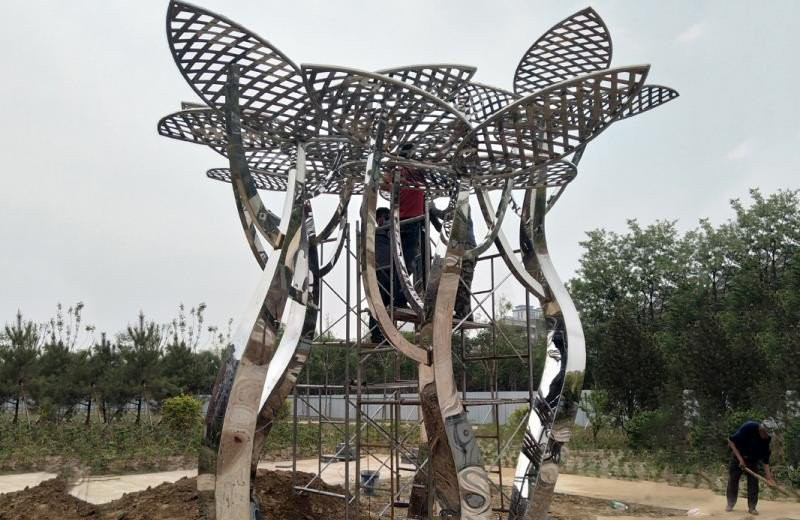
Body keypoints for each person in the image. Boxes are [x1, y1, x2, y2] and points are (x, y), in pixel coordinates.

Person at [368, 207, 406, 344]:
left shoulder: (389, 233)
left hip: (392, 271)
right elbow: (364, 214)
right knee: (378, 304)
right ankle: (376, 335)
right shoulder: (373, 231)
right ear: (379, 219)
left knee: (391, 304)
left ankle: (389, 334)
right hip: (379, 272)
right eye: (386, 217)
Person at [726, 420, 775, 514]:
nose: (767, 436)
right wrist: (740, 459)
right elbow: (731, 441)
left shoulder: (767, 439)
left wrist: (769, 478)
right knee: (733, 481)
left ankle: (752, 507)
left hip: (752, 460)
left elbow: (765, 460)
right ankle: (730, 504)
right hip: (738, 457)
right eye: (766, 433)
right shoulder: (749, 427)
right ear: (761, 429)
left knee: (753, 484)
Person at [453, 206, 476, 321]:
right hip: (462, 248)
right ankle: (466, 313)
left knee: (463, 282)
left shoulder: (462, 206)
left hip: (466, 248)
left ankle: (463, 313)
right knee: (460, 282)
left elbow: (447, 215)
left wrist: (433, 210)